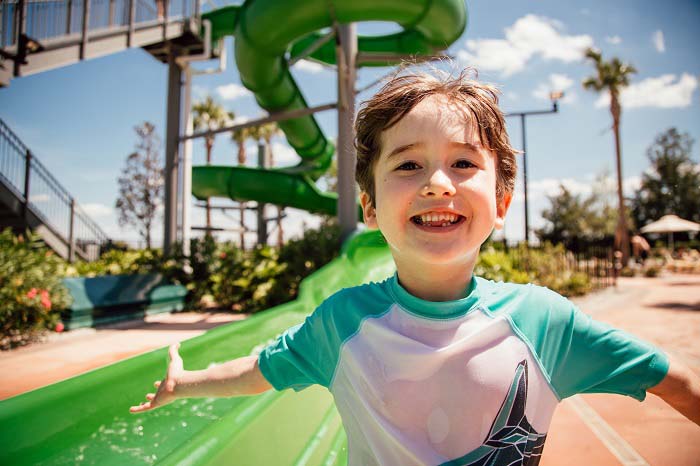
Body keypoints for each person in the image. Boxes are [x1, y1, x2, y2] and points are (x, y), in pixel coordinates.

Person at [130, 68, 700, 465]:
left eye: (462, 162)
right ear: (370, 207)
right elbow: (262, 369)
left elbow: (673, 380)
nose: (436, 183)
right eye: (407, 164)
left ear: (501, 204)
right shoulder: (341, 323)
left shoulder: (545, 322)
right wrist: (185, 384)